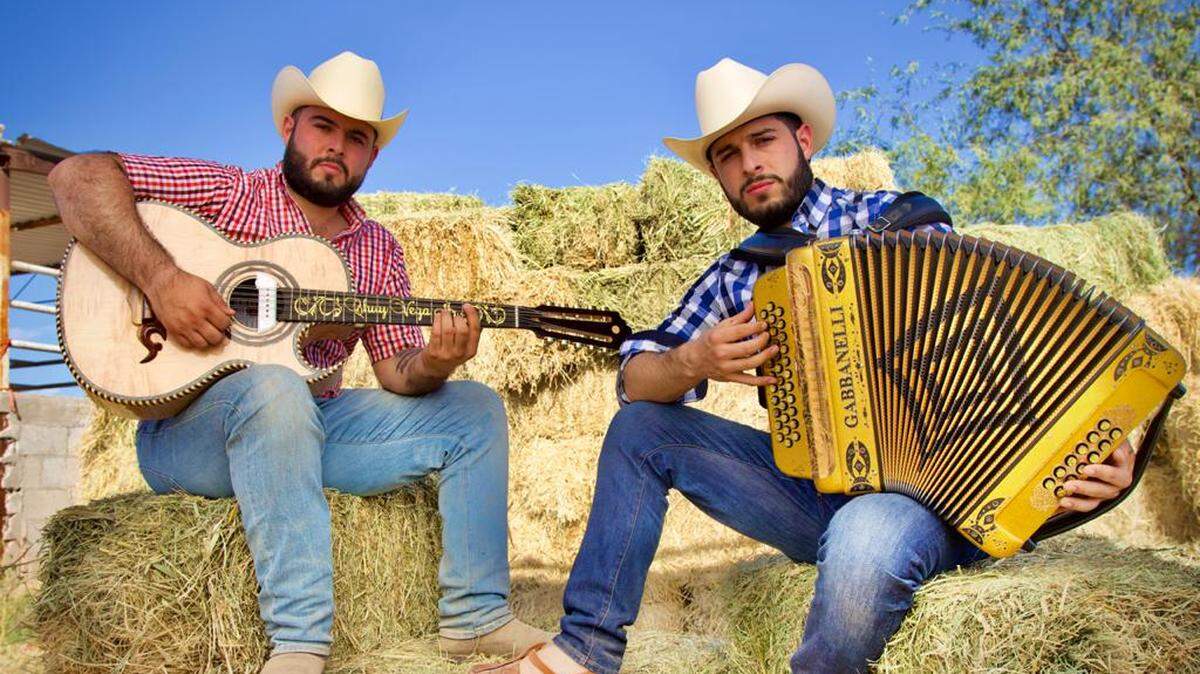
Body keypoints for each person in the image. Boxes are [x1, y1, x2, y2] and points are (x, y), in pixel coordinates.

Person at [472, 57, 1137, 674]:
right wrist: (696, 358)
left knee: (865, 539)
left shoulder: (902, 222)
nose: (749, 164)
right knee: (641, 430)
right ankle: (584, 652)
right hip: (815, 496)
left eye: (762, 140)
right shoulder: (739, 274)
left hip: (946, 504)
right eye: (728, 156)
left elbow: (1012, 342)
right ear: (719, 178)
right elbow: (635, 376)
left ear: (804, 140)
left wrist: (1096, 443)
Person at [48, 51, 548, 674]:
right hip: (191, 437)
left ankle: (475, 619)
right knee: (276, 387)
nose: (336, 145)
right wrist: (162, 278)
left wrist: (437, 362)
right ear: (290, 127)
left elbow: (398, 374)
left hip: (310, 429)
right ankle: (300, 645)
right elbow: (77, 176)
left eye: (357, 137)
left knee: (473, 410)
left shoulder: (376, 248)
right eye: (323, 126)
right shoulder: (232, 195)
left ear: (372, 156)